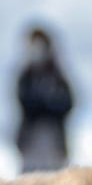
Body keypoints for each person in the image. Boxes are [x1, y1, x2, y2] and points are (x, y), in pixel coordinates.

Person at [15, 27, 75, 173]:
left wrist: (48, 104)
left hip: (54, 141)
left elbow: (68, 103)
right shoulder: (26, 76)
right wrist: (47, 102)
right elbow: (26, 103)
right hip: (31, 140)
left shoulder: (57, 76)